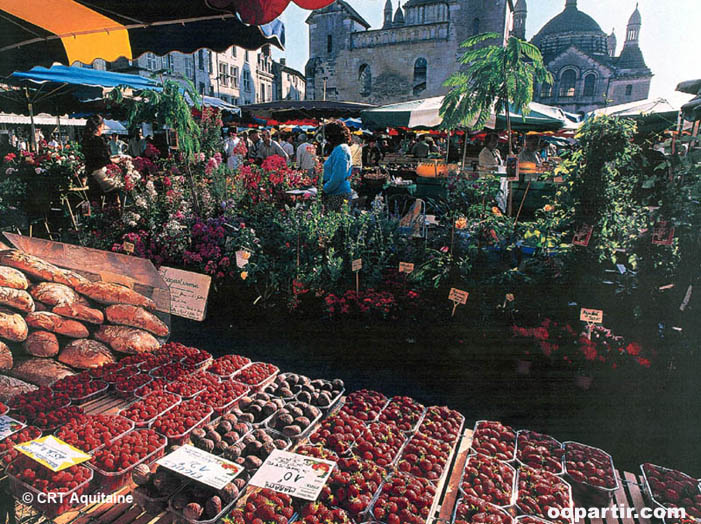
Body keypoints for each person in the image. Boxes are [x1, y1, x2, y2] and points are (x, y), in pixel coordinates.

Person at [82, 114, 124, 203]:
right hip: (99, 175)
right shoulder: (99, 140)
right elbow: (103, 160)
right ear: (100, 126)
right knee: (120, 189)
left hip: (91, 176)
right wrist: (115, 160)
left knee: (97, 203)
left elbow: (94, 158)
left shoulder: (85, 140)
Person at [322, 120, 353, 211]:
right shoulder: (339, 148)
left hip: (337, 193)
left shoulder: (341, 149)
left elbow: (338, 176)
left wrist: (325, 189)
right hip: (335, 191)